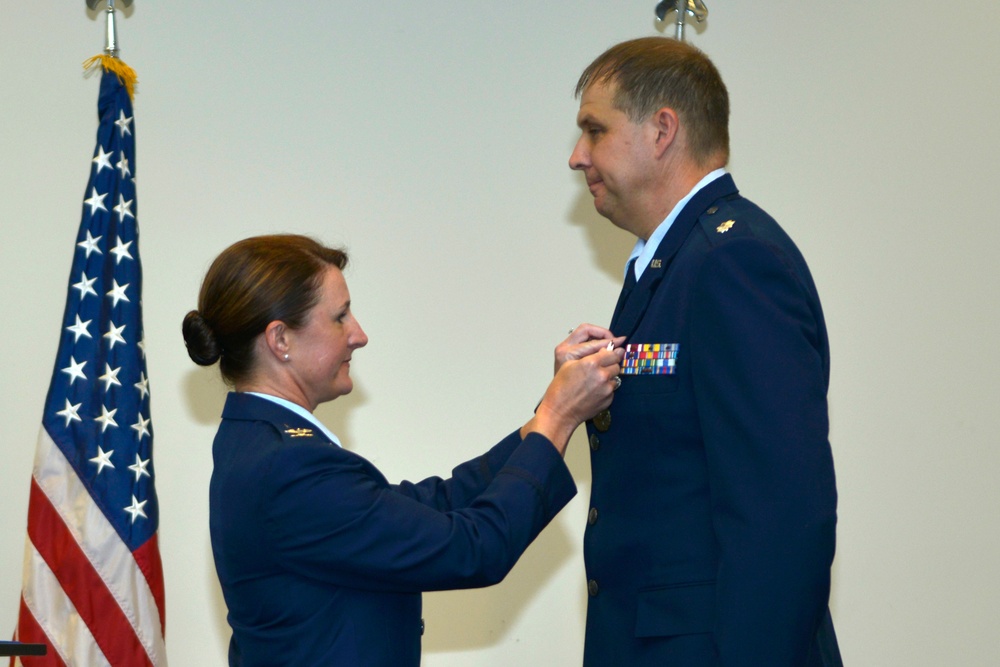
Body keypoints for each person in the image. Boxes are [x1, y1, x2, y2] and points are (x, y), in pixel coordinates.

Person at [181, 234, 623, 666]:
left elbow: (427, 505)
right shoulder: (289, 464)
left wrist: (540, 421)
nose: (359, 335)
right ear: (280, 340)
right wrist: (558, 419)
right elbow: (475, 549)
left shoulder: (257, 439)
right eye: (340, 317)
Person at [561, 37, 842, 665]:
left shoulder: (733, 262)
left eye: (594, 130)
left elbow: (781, 517)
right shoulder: (673, 264)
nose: (577, 158)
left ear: (662, 130)